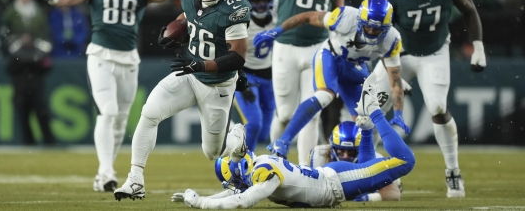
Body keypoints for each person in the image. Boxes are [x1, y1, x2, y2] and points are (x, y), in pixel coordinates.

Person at [40, 0, 187, 193]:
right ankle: (107, 172)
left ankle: (102, 173)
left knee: (120, 120)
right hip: (101, 55)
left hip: (129, 58)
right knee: (107, 112)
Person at [113, 0, 251, 201]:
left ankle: (236, 139)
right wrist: (173, 30)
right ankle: (135, 179)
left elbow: (237, 57)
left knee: (213, 152)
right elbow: (188, 17)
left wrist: (200, 65)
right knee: (150, 112)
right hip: (189, 72)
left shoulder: (235, 9)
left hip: (216, 82)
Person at [174, 73, 416, 209]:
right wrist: (196, 197)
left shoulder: (263, 173)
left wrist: (200, 203)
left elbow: (242, 201)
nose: (232, 185)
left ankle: (372, 109)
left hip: (335, 182)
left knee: (404, 161)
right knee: (370, 174)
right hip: (330, 178)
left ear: (240, 171)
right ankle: (366, 129)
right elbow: (232, 194)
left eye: (232, 179)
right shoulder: (259, 167)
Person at [373, 0, 486, 198]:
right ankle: (367, 170)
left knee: (436, 107)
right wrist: (394, 74)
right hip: (396, 53)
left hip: (434, 51)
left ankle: (453, 172)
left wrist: (478, 47)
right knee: (372, 111)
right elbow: (376, 32)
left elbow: (468, 9)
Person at [254, 0, 409, 159]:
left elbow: (395, 80)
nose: (371, 32)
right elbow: (308, 16)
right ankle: (283, 141)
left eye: (376, 29)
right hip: (330, 56)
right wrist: (278, 30)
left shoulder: (392, 40)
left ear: (386, 28)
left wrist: (398, 112)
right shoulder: (345, 18)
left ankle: (359, 168)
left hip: (355, 68)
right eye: (368, 27)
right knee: (324, 96)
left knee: (366, 120)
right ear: (360, 21)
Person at [269, 0, 348, 164]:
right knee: (285, 114)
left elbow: (339, 17)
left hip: (318, 47)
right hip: (286, 47)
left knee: (312, 114)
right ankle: (275, 161)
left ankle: (306, 171)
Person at [307, 120, 402, 201]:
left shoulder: (374, 158)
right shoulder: (318, 156)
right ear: (333, 149)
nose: (345, 156)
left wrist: (370, 198)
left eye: (351, 152)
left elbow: (394, 192)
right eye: (341, 152)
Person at [234, 0, 277, 151]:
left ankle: (234, 141)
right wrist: (238, 78)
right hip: (246, 74)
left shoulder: (279, 12)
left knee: (265, 131)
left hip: (270, 75)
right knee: (253, 124)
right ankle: (241, 165)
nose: (260, 4)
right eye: (255, 0)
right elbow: (226, 51)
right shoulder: (238, 20)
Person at [7, 32, 55, 145]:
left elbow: (47, 66)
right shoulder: (16, 53)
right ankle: (28, 143)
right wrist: (26, 62)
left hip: (36, 91)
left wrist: (34, 62)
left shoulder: (39, 52)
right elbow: (9, 68)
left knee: (42, 117)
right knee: (24, 118)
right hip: (21, 92)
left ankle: (49, 141)